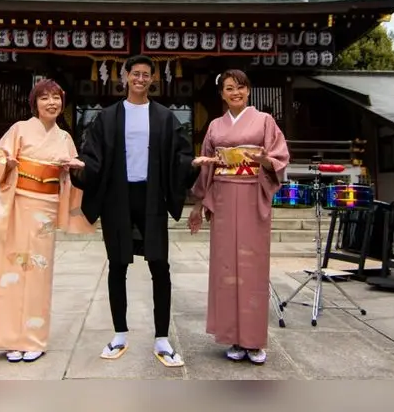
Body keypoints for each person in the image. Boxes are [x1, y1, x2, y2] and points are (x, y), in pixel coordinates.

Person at [72, 55, 197, 368]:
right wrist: (80, 170)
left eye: (146, 75)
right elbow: (93, 157)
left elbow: (179, 155)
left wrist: (192, 166)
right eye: (135, 74)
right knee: (117, 265)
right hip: (118, 196)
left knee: (160, 266)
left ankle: (161, 337)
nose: (140, 79)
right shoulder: (109, 117)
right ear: (125, 76)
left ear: (152, 79)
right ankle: (119, 334)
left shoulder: (165, 117)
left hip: (152, 196)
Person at [0, 78, 95, 363]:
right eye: (45, 98)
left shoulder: (65, 138)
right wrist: (8, 165)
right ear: (34, 103)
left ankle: (34, 338)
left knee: (38, 273)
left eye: (56, 98)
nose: (52, 103)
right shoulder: (19, 129)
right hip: (19, 202)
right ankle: (10, 338)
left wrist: (75, 167)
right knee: (11, 272)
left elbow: (74, 175)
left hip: (46, 208)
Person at [189, 69, 290, 365]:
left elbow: (280, 157)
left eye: (240, 88)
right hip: (221, 196)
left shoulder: (265, 121)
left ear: (248, 91)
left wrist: (265, 161)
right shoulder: (215, 126)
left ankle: (255, 341)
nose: (235, 92)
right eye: (229, 88)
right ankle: (233, 337)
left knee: (252, 267)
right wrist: (199, 201)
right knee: (226, 267)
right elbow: (208, 164)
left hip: (251, 193)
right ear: (221, 94)